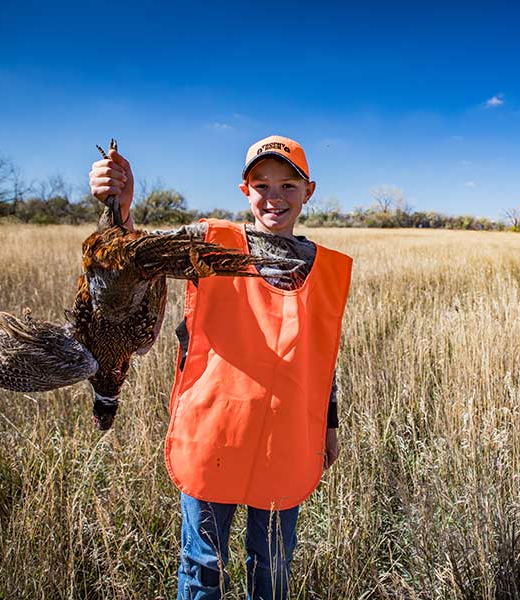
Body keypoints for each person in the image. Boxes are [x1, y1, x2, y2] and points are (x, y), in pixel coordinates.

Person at [89, 135, 353, 599]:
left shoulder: (322, 266)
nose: (275, 197)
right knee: (202, 563)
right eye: (262, 185)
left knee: (271, 564)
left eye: (288, 186)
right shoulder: (210, 244)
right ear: (244, 190)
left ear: (309, 191)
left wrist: (328, 428)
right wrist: (121, 208)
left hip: (286, 438)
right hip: (214, 429)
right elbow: (134, 257)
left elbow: (322, 357)